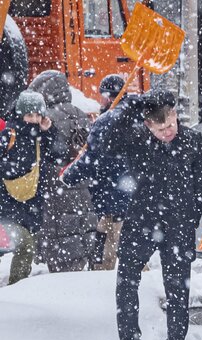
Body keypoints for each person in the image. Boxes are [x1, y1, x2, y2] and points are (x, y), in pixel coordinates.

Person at [100, 91, 202, 340]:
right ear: (148, 125)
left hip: (178, 225)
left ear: (175, 115)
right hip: (142, 220)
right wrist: (130, 107)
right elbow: (106, 142)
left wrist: (191, 214)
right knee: (126, 280)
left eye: (171, 125)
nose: (168, 132)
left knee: (177, 287)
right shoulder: (137, 139)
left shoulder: (192, 140)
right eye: (160, 129)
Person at [62, 74, 134, 270]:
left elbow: (91, 159)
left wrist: (67, 177)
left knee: (105, 256)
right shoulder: (135, 116)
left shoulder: (106, 121)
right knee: (132, 253)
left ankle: (103, 280)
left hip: (110, 197)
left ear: (109, 97)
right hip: (132, 196)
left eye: (102, 95)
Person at [28, 70, 97, 273]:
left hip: (55, 186)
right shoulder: (82, 116)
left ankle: (63, 280)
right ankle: (77, 269)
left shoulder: (45, 119)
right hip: (82, 185)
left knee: (59, 232)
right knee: (80, 227)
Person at [0, 90, 66, 284]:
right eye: (30, 115)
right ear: (20, 114)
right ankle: (15, 291)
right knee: (25, 245)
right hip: (7, 203)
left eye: (38, 115)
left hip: (31, 202)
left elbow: (59, 156)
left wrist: (49, 132)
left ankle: (17, 289)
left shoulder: (40, 136)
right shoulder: (9, 134)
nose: (34, 119)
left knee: (25, 246)